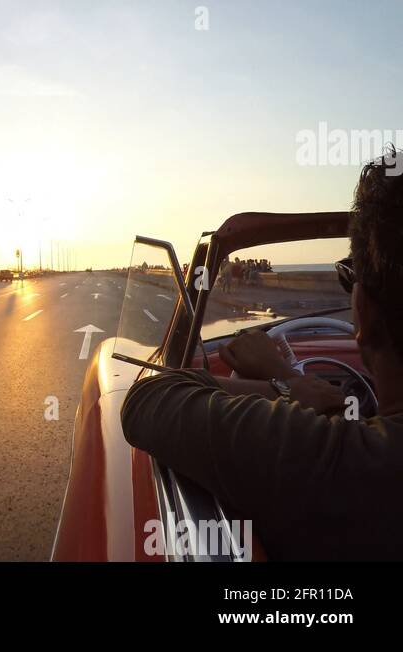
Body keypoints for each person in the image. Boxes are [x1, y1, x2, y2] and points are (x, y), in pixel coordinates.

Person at [121, 148, 403, 560]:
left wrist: (285, 383)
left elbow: (148, 400)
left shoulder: (336, 462)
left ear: (364, 311)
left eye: (349, 277)